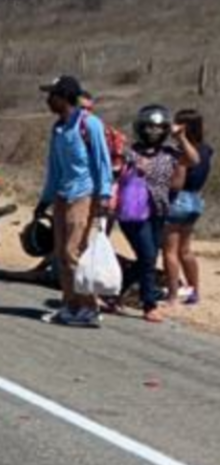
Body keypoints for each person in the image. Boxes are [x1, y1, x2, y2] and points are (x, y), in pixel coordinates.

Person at [35, 75, 113, 327]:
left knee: (73, 251)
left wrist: (104, 196)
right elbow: (54, 168)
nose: (48, 101)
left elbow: (103, 163)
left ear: (64, 97)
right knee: (61, 254)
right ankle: (70, 305)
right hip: (62, 195)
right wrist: (45, 199)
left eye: (52, 95)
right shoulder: (58, 128)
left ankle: (89, 306)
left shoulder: (90, 125)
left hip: (84, 195)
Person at [116, 105, 186, 323]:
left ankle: (111, 293)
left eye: (159, 127)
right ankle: (149, 304)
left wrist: (181, 138)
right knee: (147, 256)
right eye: (149, 126)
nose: (153, 131)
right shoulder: (128, 152)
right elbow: (115, 178)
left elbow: (181, 177)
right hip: (132, 212)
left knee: (147, 257)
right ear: (140, 127)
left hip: (159, 212)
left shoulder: (172, 153)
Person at [164, 109, 210, 306]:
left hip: (178, 200)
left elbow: (177, 180)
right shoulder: (206, 149)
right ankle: (194, 291)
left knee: (170, 251)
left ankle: (173, 295)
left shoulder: (183, 151)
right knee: (186, 250)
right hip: (195, 200)